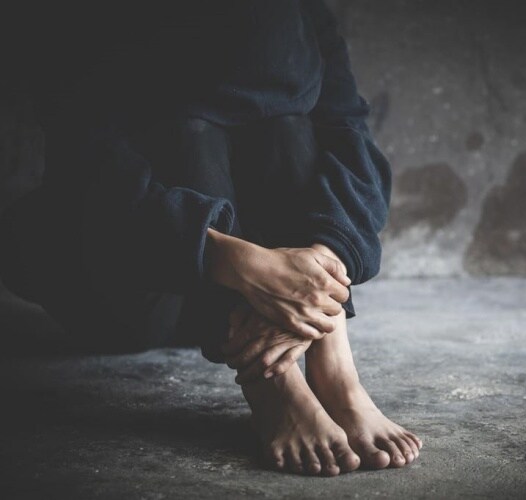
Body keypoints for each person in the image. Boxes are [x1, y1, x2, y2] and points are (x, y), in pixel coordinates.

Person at [0, 0, 422, 476]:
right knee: (190, 126)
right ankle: (273, 383)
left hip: (275, 301)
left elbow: (350, 133)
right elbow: (87, 172)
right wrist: (233, 260)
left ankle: (336, 371)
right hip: (142, 289)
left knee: (289, 123)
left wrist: (324, 259)